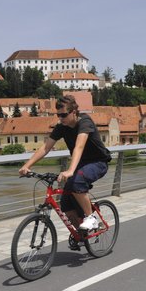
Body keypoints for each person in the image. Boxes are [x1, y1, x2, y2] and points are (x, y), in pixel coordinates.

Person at [19, 94, 111, 233]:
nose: (60, 118)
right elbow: (46, 147)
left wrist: (70, 170)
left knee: (77, 182)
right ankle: (80, 234)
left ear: (73, 112)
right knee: (66, 203)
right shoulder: (62, 126)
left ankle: (91, 217)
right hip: (80, 163)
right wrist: (27, 165)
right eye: (58, 115)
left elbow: (79, 146)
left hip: (98, 162)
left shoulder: (85, 122)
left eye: (64, 115)